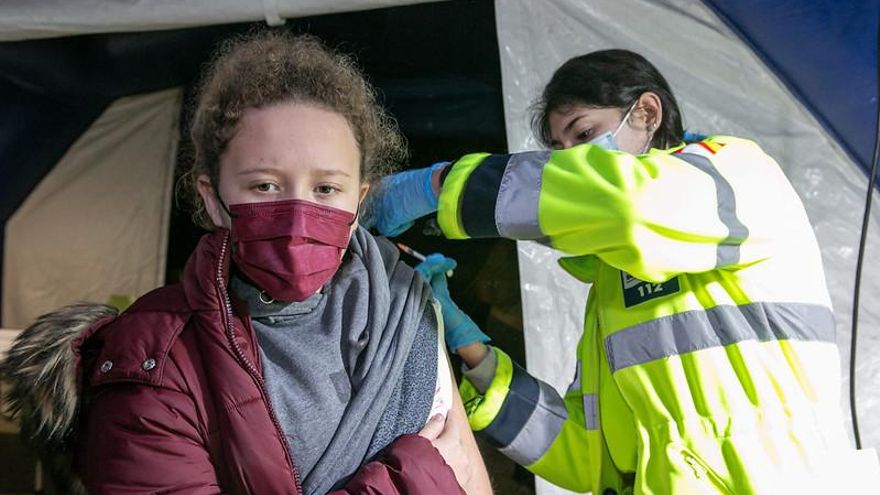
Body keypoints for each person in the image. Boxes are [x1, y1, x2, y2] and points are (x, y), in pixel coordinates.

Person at [367, 49, 880, 494]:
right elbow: (583, 452)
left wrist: (439, 185)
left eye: (584, 135)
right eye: (559, 153)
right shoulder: (613, 292)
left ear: (647, 113)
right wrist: (468, 344)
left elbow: (627, 207)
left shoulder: (736, 174)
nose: (570, 164)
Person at [1, 31, 492, 494]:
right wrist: (413, 479)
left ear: (358, 201)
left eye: (326, 189)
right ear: (213, 199)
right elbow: (449, 467)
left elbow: (473, 480)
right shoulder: (148, 361)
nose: (300, 215)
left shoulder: (401, 306)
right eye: (265, 186)